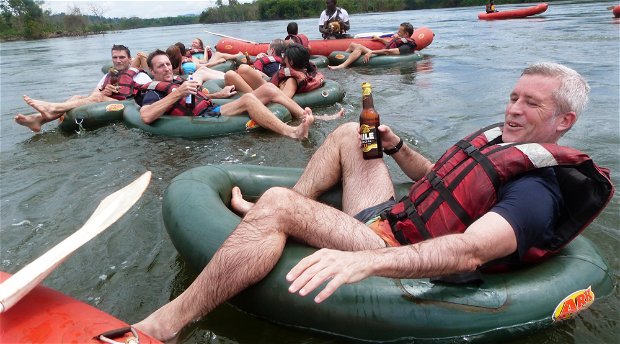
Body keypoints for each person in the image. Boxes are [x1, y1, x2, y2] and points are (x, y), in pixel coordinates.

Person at [133, 62, 613, 341]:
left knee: (277, 202)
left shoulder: (537, 189)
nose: (513, 108)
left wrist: (366, 265)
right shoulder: (499, 144)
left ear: (564, 121)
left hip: (401, 253)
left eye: (532, 103)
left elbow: (469, 251)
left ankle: (164, 326)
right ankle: (274, 220)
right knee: (348, 133)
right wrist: (396, 145)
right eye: (513, 96)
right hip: (390, 219)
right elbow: (441, 181)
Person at [139, 50, 342, 139]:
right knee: (247, 98)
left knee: (270, 89)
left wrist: (221, 93)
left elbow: (199, 98)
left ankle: (307, 117)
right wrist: (178, 93)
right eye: (160, 66)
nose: (166, 68)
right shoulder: (153, 90)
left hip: (212, 107)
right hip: (203, 118)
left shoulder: (178, 81)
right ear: (152, 71)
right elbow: (146, 115)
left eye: (167, 64)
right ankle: (291, 132)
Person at [14, 44, 152, 132]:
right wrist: (104, 92)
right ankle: (39, 119)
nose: (118, 60)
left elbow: (147, 99)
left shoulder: (140, 76)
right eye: (114, 57)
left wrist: (102, 96)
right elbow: (93, 95)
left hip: (129, 106)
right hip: (107, 101)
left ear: (129, 59)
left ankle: (51, 110)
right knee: (77, 97)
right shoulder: (109, 76)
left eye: (122, 57)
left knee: (97, 97)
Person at [328, 22, 416, 70]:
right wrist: (379, 39)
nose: (397, 33)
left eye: (400, 32)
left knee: (359, 47)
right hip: (382, 53)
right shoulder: (401, 40)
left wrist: (371, 52)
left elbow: (388, 51)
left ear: (406, 34)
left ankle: (342, 66)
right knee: (352, 45)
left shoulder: (407, 46)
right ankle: (340, 59)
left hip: (383, 56)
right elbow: (390, 46)